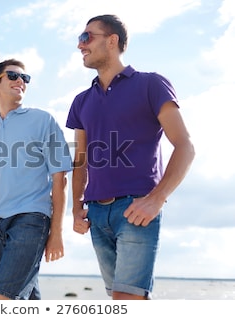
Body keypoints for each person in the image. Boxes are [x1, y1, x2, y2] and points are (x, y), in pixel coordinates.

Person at [66, 14, 195, 300]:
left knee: (127, 300)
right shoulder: (81, 101)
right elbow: (80, 160)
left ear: (112, 41)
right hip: (97, 215)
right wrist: (75, 207)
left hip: (137, 208)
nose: (80, 45)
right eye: (79, 38)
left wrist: (157, 199)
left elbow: (185, 146)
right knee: (123, 300)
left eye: (87, 37)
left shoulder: (151, 84)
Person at [0, 59, 72, 300]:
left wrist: (56, 233)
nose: (21, 82)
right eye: (14, 76)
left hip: (32, 219)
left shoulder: (43, 119)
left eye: (25, 79)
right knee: (26, 300)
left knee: (1, 298)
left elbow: (60, 180)